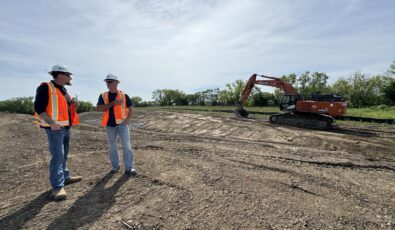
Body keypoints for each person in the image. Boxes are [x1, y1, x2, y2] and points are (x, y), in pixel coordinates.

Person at [34, 64, 82, 201]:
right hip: (55, 129)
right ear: (60, 74)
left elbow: (66, 107)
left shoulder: (63, 90)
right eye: (68, 75)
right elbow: (39, 108)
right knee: (57, 156)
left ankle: (66, 177)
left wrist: (73, 103)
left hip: (66, 127)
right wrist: (52, 124)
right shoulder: (45, 87)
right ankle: (57, 187)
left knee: (64, 154)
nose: (70, 77)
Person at [96, 74, 137, 176]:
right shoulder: (103, 95)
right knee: (112, 146)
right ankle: (115, 166)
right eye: (107, 82)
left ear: (116, 83)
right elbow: (99, 108)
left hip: (122, 125)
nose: (108, 83)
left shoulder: (124, 95)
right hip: (109, 125)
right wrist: (113, 103)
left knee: (126, 146)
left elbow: (131, 109)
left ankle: (129, 167)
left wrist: (127, 120)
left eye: (110, 81)